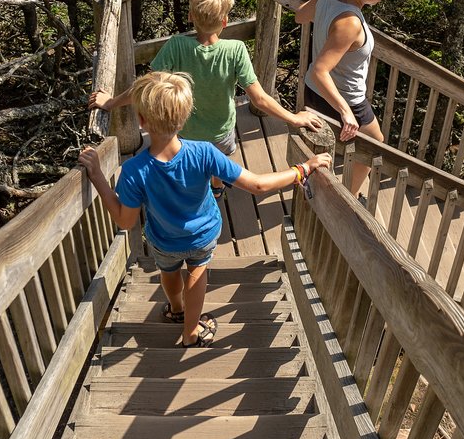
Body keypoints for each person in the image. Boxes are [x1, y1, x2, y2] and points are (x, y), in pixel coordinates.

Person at [79, 71, 331, 347]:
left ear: (141, 121)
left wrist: (99, 179)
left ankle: (176, 309)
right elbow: (258, 185)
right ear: (185, 116)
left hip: (163, 239)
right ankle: (190, 334)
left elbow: (125, 222)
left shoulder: (132, 171)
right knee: (197, 271)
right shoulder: (205, 152)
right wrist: (302, 169)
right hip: (203, 234)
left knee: (169, 271)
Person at [89, 0, 325, 196]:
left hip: (186, 132)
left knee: (190, 162)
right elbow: (260, 99)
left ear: (191, 17)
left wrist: (109, 103)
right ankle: (218, 186)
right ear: (224, 22)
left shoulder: (176, 46)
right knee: (218, 162)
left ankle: (197, 187)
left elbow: (145, 87)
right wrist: (294, 118)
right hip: (221, 132)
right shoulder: (235, 50)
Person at [294, 0, 398, 195]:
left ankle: (320, 190)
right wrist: (346, 112)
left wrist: (316, 0)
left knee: (323, 150)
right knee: (373, 147)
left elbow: (300, 16)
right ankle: (347, 197)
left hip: (313, 91)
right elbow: (321, 70)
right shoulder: (350, 22)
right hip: (344, 96)